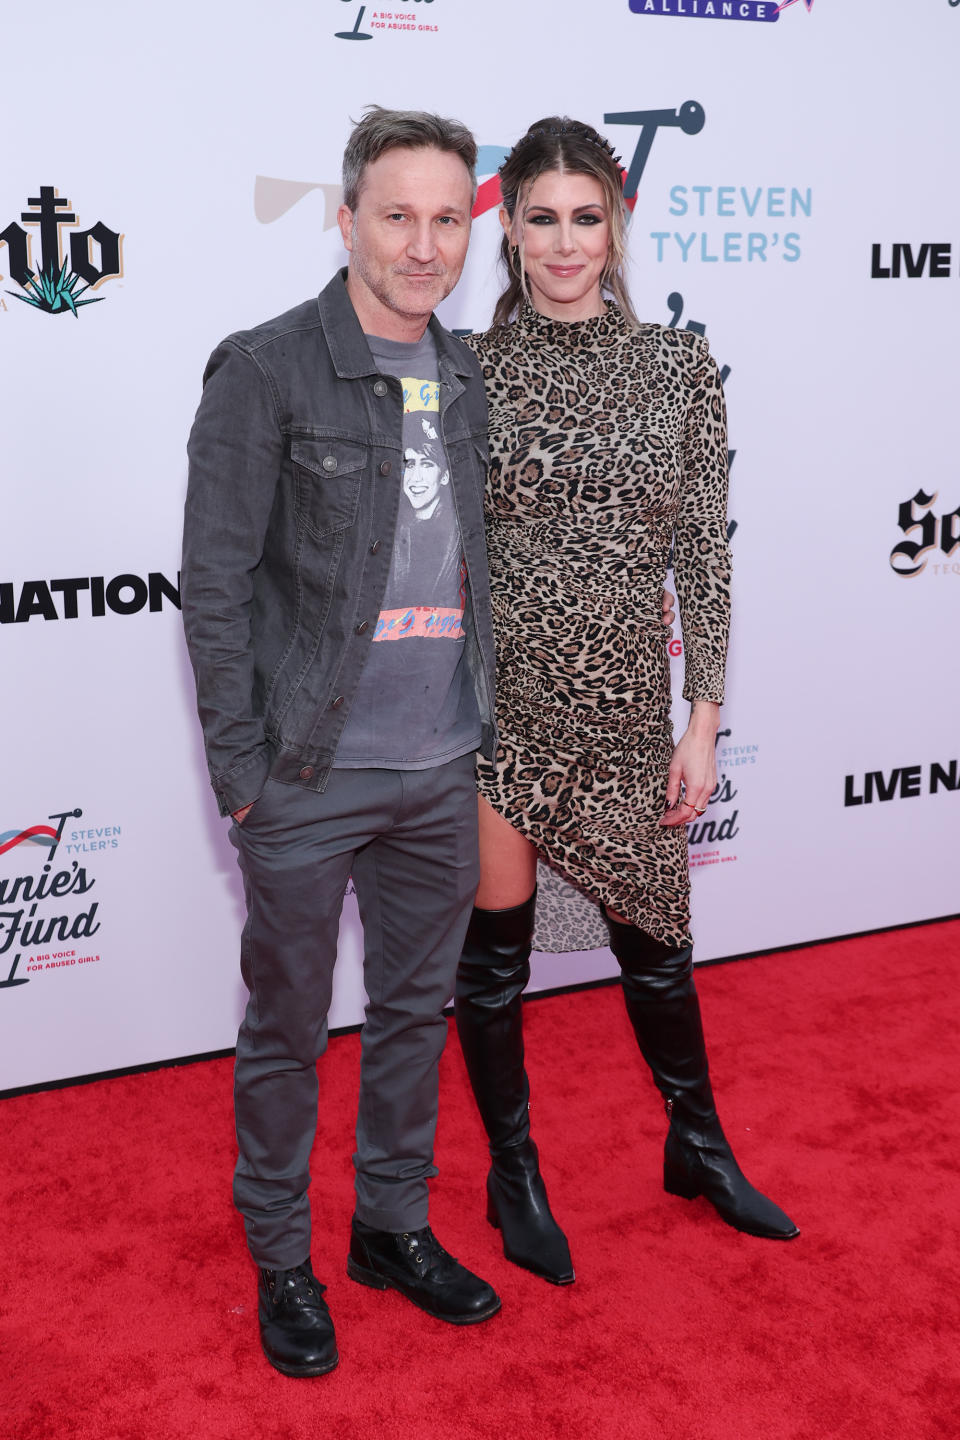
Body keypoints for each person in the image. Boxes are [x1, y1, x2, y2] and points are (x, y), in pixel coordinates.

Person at [181, 107, 502, 1380]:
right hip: (308, 775)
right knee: (288, 1028)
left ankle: (390, 1227)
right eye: (397, 215)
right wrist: (244, 780)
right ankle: (280, 1256)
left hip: (440, 764)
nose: (423, 247)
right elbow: (214, 588)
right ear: (348, 217)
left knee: (417, 1011)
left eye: (445, 219)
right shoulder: (263, 372)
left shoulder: (471, 374)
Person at [453, 117, 798, 1288]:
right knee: (493, 961)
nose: (563, 244)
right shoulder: (467, 374)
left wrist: (702, 716)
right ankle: (515, 1173)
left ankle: (697, 1145)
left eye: (585, 219)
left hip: (623, 713)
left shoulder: (678, 369)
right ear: (509, 229)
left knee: (657, 948)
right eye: (540, 219)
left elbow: (702, 551)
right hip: (496, 713)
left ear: (619, 224)